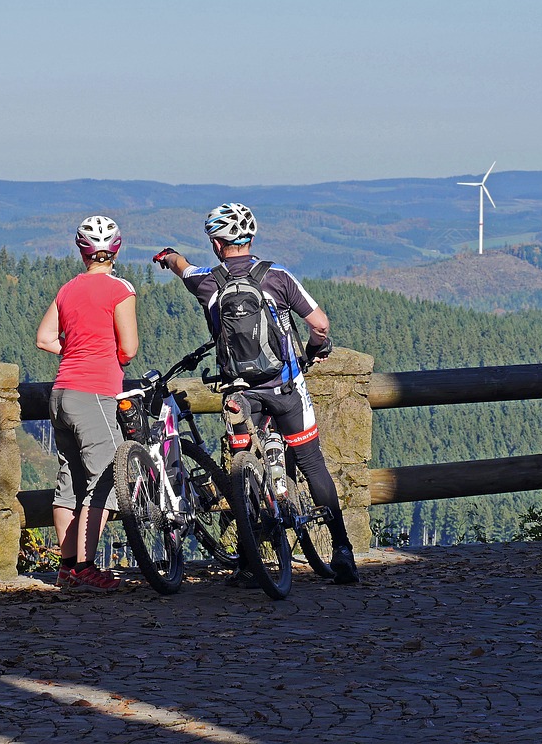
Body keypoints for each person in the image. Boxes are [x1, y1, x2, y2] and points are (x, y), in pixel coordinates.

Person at [153, 202, 360, 585]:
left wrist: (168, 257)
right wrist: (316, 349)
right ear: (251, 239)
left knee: (242, 465)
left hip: (239, 395)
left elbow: (182, 267)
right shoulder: (277, 276)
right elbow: (320, 324)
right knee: (312, 463)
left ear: (216, 243)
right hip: (285, 387)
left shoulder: (206, 281)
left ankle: (251, 559)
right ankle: (342, 549)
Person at [36, 215, 138, 592]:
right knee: (106, 478)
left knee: (70, 481)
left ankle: (65, 567)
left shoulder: (67, 290)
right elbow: (128, 348)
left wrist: (74, 350)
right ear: (116, 248)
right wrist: (108, 357)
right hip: (95, 393)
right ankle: (85, 567)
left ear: (81, 249)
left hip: (60, 394)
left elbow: (45, 338)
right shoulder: (119, 289)